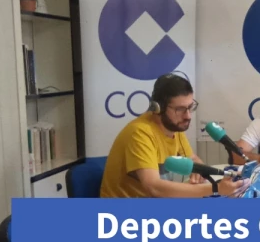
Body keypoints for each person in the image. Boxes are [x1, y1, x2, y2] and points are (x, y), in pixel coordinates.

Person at [100, 72, 249, 198]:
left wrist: (199, 170)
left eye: (190, 107)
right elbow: (153, 187)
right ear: (158, 108)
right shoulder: (140, 133)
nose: (188, 116)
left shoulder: (173, 127)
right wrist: (216, 188)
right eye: (180, 109)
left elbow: (193, 159)